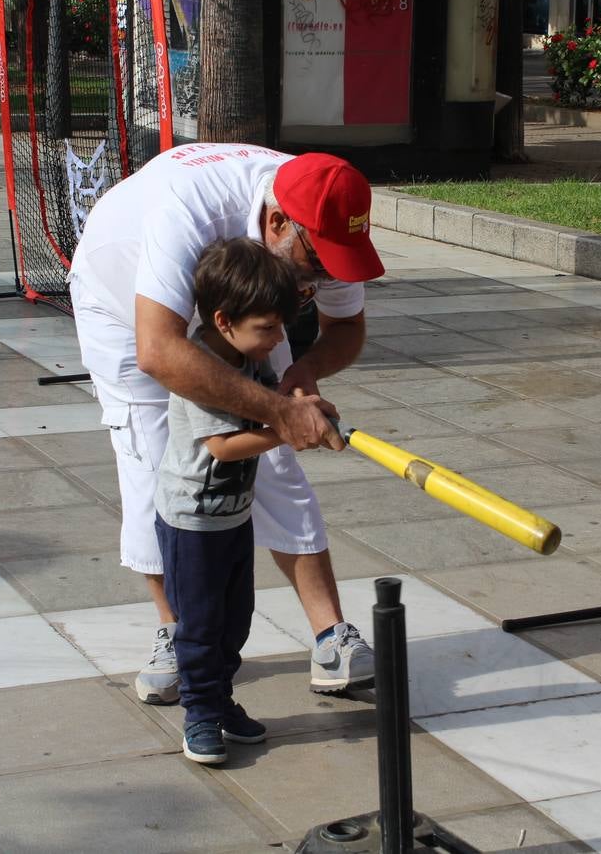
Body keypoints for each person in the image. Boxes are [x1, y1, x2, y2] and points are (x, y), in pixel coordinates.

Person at [69, 143, 385, 705]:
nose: (328, 276)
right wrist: (279, 412)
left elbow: (347, 327)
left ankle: (332, 637)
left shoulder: (321, 219)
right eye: (319, 264)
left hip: (244, 301)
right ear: (278, 222)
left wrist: (303, 374)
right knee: (155, 462)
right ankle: (178, 633)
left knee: (279, 458)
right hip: (125, 307)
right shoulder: (189, 210)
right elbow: (160, 351)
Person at [155, 237, 301, 764]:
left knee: (235, 618)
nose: (277, 338)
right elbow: (225, 444)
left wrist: (300, 404)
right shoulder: (202, 371)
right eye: (268, 328)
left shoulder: (246, 355)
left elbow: (272, 404)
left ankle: (220, 700)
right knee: (199, 624)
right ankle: (199, 712)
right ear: (223, 321)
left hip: (232, 517)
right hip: (191, 522)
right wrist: (288, 429)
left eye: (281, 325)